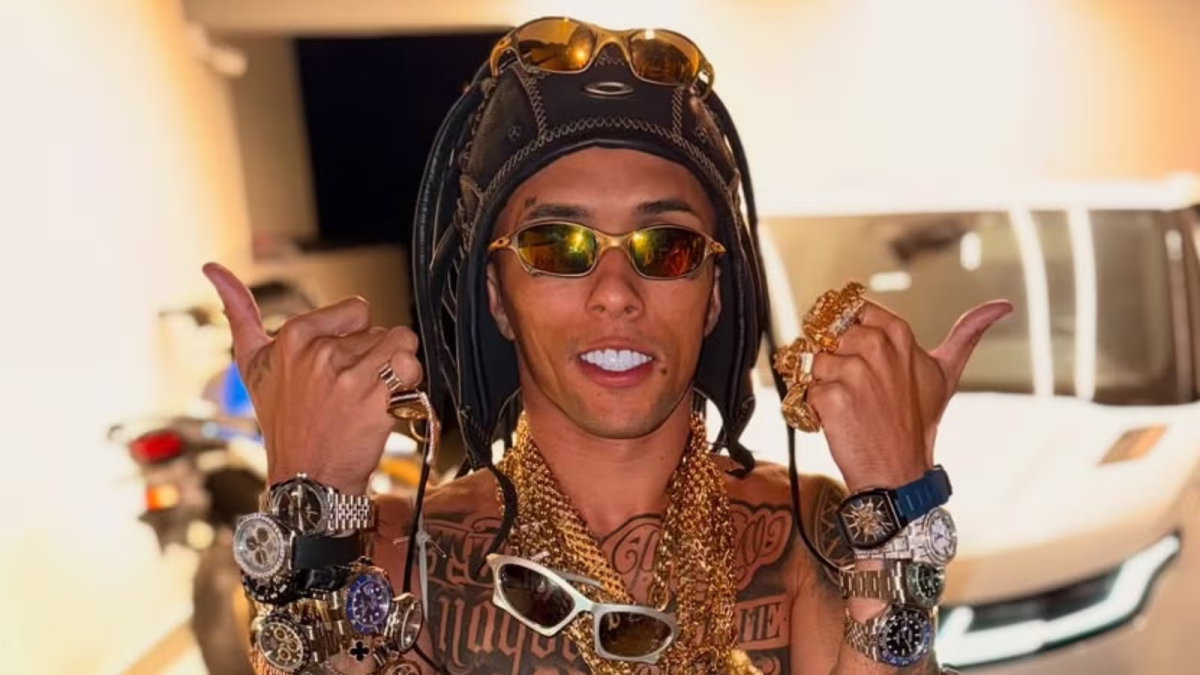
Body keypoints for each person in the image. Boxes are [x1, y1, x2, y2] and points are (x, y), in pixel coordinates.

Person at [204, 17, 1011, 675]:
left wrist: (897, 508)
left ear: (714, 294)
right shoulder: (396, 550)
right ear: (498, 298)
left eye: (668, 246)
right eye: (558, 245)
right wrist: (307, 506)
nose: (617, 291)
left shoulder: (808, 534)